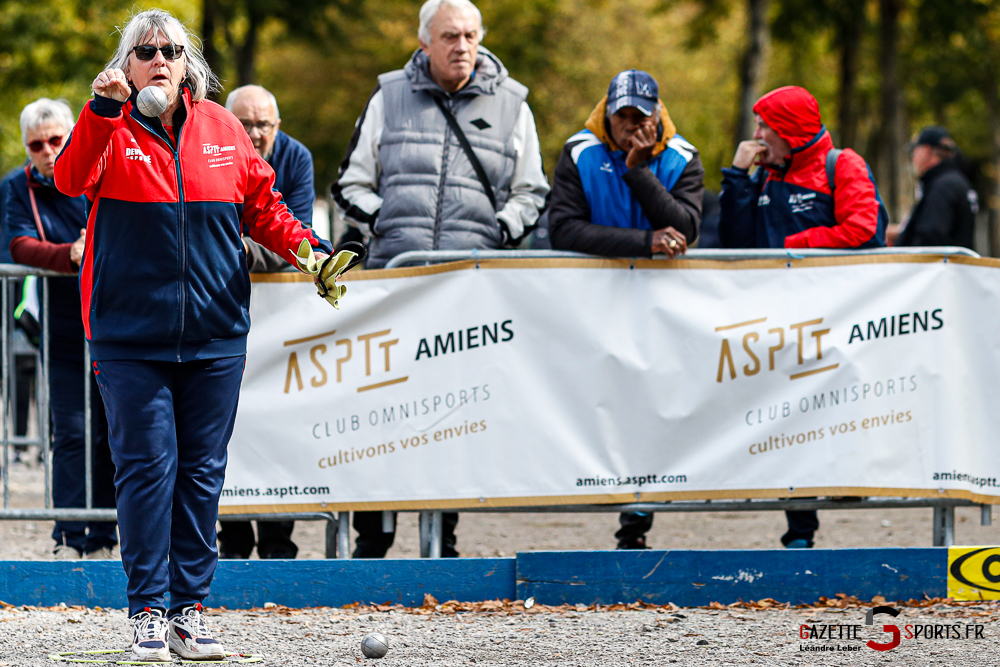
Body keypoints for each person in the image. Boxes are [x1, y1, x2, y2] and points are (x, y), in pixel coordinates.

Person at [53, 9, 331, 662]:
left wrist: (312, 253)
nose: (159, 59)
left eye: (171, 50)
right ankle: (148, 610)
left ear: (188, 64)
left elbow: (263, 205)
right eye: (144, 50)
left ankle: (190, 611)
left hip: (215, 336)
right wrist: (98, 110)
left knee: (202, 476)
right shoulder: (106, 125)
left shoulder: (222, 126)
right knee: (149, 470)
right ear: (126, 64)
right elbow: (68, 181)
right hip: (129, 337)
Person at [332, 0, 549, 558]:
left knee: (454, 415)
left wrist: (498, 232)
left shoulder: (513, 105)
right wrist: (385, 219)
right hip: (392, 287)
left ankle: (443, 539)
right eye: (451, 35)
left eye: (472, 35)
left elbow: (532, 192)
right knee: (380, 414)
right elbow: (350, 184)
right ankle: (372, 539)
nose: (463, 46)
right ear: (425, 41)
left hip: (464, 294)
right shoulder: (388, 97)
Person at [719, 85, 887, 549]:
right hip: (784, 324)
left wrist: (790, 250)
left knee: (836, 417)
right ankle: (800, 532)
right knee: (791, 422)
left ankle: (852, 480)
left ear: (789, 131)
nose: (755, 135)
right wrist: (736, 175)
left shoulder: (843, 165)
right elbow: (735, 243)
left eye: (764, 127)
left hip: (842, 322)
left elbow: (863, 229)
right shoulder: (766, 175)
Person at [547, 70, 703, 548]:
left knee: (653, 407)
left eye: (642, 115)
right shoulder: (579, 152)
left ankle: (636, 519)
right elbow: (565, 229)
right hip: (594, 301)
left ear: (658, 115)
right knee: (595, 402)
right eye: (623, 116)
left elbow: (686, 227)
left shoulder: (682, 157)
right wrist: (643, 243)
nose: (632, 125)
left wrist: (639, 171)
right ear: (607, 113)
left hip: (660, 305)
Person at [6, 98, 118, 560]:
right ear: (27, 148)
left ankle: (109, 534)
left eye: (56, 140)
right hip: (62, 324)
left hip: (114, 319)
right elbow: (15, 244)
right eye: (37, 144)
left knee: (114, 429)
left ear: (71, 135)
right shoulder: (16, 186)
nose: (48, 151)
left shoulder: (99, 166)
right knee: (69, 431)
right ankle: (70, 535)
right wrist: (67, 254)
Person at [216, 84, 315, 560]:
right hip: (221, 309)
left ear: (278, 125)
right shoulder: (213, 146)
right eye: (245, 124)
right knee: (221, 428)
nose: (254, 134)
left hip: (279, 316)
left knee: (278, 424)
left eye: (264, 125)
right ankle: (231, 540)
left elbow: (293, 230)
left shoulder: (296, 158)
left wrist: (232, 248)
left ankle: (279, 541)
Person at [891, 126, 977, 249]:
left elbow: (930, 237)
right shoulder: (957, 181)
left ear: (926, 150)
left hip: (940, 267)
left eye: (915, 151)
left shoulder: (942, 187)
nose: (912, 158)